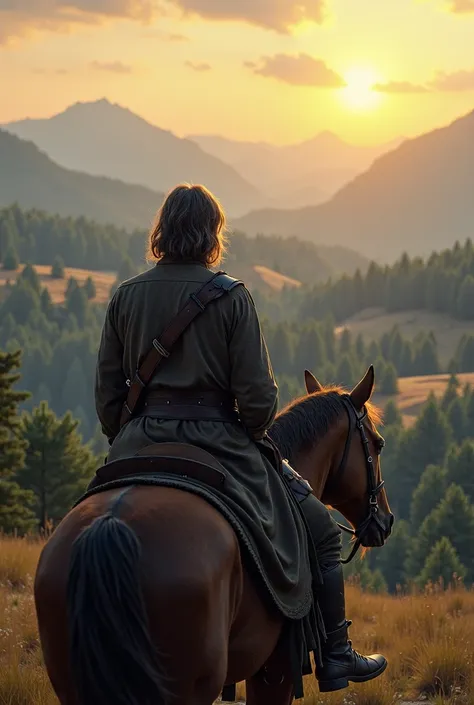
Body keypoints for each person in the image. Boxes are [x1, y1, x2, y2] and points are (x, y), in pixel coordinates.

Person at [93, 183, 387, 692]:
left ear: (161, 231)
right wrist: (246, 431)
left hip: (136, 444)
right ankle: (336, 654)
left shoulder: (125, 297)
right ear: (213, 234)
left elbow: (106, 397)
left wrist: (136, 434)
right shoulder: (231, 297)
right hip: (221, 445)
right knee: (316, 527)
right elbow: (258, 403)